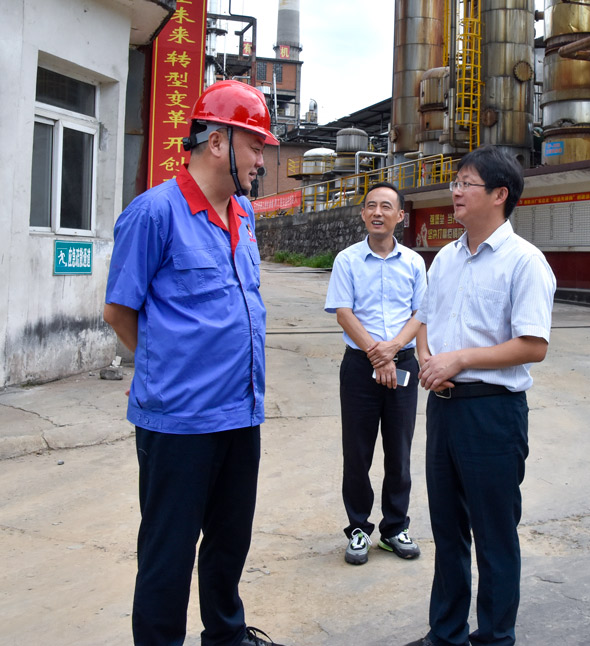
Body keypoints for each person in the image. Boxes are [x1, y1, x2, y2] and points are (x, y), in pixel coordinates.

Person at [103, 80, 284, 646]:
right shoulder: (154, 213)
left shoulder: (243, 214)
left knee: (229, 542)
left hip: (241, 412)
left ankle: (226, 636)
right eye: (254, 145)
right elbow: (118, 311)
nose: (261, 159)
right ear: (218, 142)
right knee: (169, 551)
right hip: (179, 422)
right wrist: (164, 366)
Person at [406, 145, 557, 646]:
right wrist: (427, 357)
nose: (455, 191)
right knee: (448, 532)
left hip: (493, 413)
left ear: (499, 194)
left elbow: (533, 345)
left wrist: (460, 359)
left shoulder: (525, 262)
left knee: (494, 536)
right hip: (444, 408)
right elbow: (425, 317)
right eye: (455, 182)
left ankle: (494, 637)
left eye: (466, 183)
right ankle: (446, 634)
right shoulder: (446, 258)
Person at [324, 181, 427, 565]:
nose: (377, 212)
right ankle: (358, 528)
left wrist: (393, 350)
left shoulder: (414, 262)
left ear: (400, 215)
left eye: (386, 206)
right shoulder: (347, 260)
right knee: (357, 451)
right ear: (363, 213)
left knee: (399, 451)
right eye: (371, 205)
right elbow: (343, 312)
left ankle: (395, 527)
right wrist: (377, 356)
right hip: (359, 366)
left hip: (402, 363)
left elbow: (420, 314)